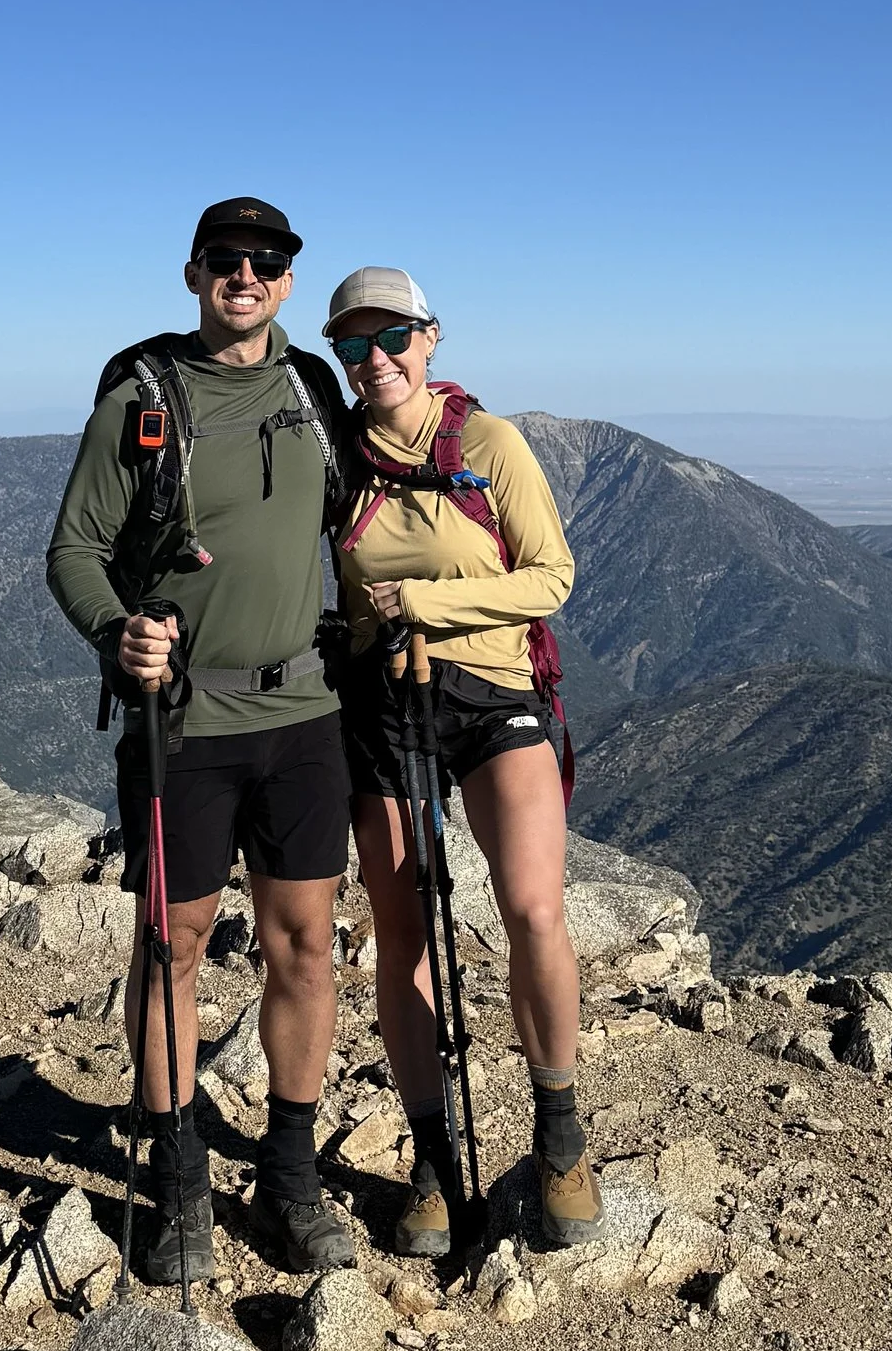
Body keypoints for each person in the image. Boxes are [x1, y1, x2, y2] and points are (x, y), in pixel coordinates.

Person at [45, 197, 360, 1286]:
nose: (247, 276)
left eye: (268, 262)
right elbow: (77, 550)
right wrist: (113, 630)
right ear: (193, 274)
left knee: (304, 947)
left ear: (284, 281)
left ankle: (288, 1172)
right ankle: (180, 1179)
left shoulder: (315, 393)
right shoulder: (144, 400)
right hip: (183, 718)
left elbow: (372, 510)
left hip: (305, 713)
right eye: (228, 260)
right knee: (173, 948)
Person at [322, 266, 603, 1254]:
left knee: (532, 908)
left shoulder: (489, 444)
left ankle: (559, 1128)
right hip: (385, 703)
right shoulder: (338, 457)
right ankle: (434, 1158)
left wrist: (424, 606)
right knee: (399, 930)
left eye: (390, 338)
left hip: (490, 696)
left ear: (430, 338)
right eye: (352, 347)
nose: (374, 361)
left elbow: (551, 577)